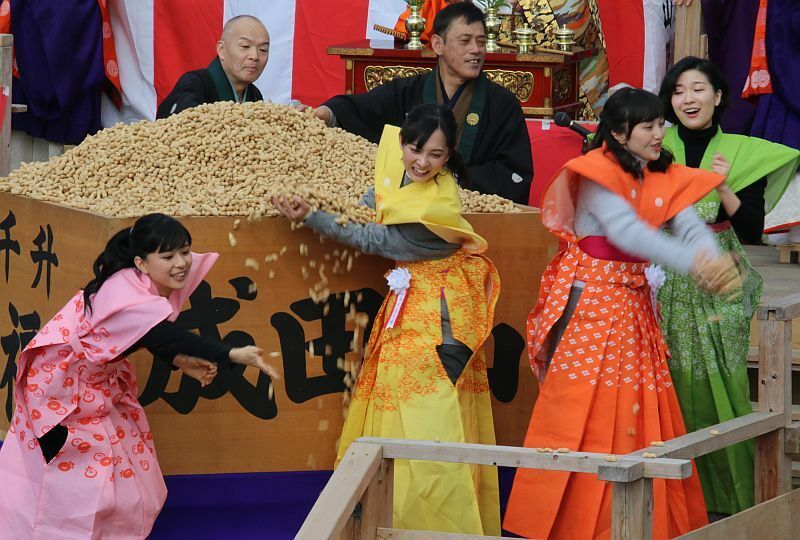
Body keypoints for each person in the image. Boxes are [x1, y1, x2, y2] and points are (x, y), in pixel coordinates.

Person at [503, 88, 742, 539]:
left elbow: (689, 224)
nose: (659, 132)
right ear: (617, 133)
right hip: (590, 305)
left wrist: (710, 255)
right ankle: (568, 526)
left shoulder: (661, 172)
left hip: (633, 306)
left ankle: (642, 524)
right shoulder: (596, 174)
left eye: (660, 123)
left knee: (642, 409)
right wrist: (696, 264)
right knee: (579, 410)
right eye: (648, 125)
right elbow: (628, 233)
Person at [274, 103, 501, 535]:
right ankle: (391, 514)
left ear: (450, 155)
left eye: (436, 155)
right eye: (416, 149)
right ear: (402, 143)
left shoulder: (439, 204)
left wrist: (313, 217)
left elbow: (373, 235)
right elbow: (374, 201)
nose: (422, 162)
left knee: (430, 412)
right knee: (396, 401)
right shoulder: (395, 162)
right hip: (411, 302)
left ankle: (434, 522)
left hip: (440, 315)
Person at [0, 213, 279, 539]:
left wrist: (180, 360)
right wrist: (232, 353)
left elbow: (144, 334)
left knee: (132, 489)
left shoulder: (138, 284)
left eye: (185, 251)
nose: (182, 263)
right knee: (71, 492)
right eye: (168, 256)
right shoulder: (124, 293)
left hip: (95, 393)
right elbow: (161, 334)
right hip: (59, 396)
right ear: (141, 262)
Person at [656, 56, 800, 517]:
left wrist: (724, 189)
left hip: (719, 280)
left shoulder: (742, 152)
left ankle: (732, 503)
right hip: (661, 278)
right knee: (669, 383)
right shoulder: (654, 146)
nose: (687, 99)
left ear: (718, 97)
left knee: (724, 383)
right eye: (678, 91)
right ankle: (673, 501)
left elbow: (754, 228)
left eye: (698, 89)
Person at [315, 2, 533, 204]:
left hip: (471, 216)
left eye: (481, 42)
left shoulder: (503, 104)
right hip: (405, 211)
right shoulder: (407, 91)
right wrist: (327, 113)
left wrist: (453, 178)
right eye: (465, 41)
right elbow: (359, 112)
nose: (476, 49)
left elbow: (513, 173)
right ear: (438, 44)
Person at [156, 15, 269, 118]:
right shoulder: (194, 84)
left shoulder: (254, 95)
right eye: (245, 46)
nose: (255, 56)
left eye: (263, 50)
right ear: (221, 49)